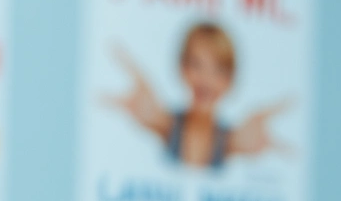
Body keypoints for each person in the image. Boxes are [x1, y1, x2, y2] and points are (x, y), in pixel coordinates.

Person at [104, 21, 293, 170]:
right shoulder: (170, 126)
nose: (206, 79)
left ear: (230, 80)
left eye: (218, 70)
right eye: (196, 65)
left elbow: (241, 140)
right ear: (182, 68)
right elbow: (154, 115)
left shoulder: (228, 141)